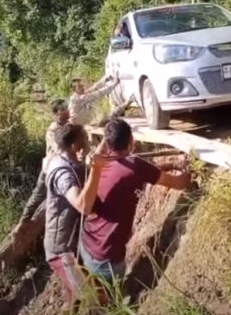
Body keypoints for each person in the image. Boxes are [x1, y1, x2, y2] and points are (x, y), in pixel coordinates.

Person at [80, 118, 190, 288]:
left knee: (95, 296)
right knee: (110, 302)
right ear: (131, 140)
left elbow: (146, 171)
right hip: (108, 259)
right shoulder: (134, 166)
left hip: (87, 245)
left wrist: (174, 163)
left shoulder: (102, 163)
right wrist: (189, 170)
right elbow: (178, 183)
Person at [43, 124, 104, 309]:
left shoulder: (62, 162)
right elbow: (81, 204)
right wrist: (95, 168)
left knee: (74, 298)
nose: (87, 142)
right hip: (61, 250)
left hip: (69, 244)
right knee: (91, 299)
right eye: (84, 139)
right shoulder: (63, 174)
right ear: (74, 145)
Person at [19, 99, 71, 223]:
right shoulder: (53, 130)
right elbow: (59, 149)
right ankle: (24, 221)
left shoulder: (66, 126)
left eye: (66, 109)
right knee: (38, 194)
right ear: (56, 114)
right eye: (63, 110)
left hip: (61, 167)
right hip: (50, 168)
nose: (67, 111)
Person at [68, 75, 119, 157]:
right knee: (80, 150)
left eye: (82, 85)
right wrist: (114, 84)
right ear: (74, 89)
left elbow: (94, 88)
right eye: (79, 87)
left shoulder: (80, 95)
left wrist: (104, 79)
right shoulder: (76, 99)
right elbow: (97, 94)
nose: (82, 87)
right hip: (75, 129)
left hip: (81, 127)